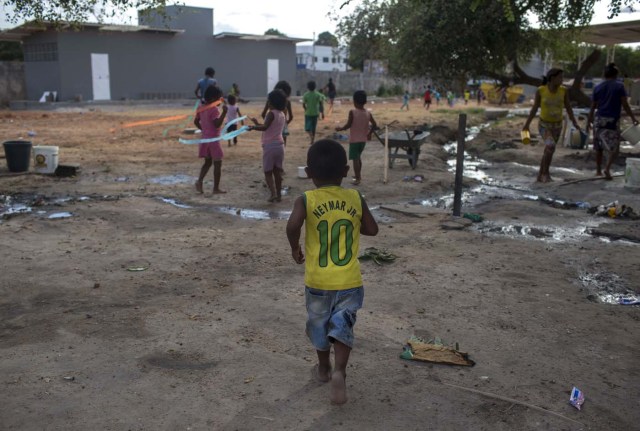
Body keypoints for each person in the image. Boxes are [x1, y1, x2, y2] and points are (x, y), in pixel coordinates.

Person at [285, 139, 379, 405]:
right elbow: (372, 230)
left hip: (318, 281)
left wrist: (295, 248)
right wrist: (351, 222)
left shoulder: (305, 199)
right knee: (343, 324)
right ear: (346, 171)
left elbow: (292, 226)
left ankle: (324, 368)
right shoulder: (355, 197)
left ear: (309, 173)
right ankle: (340, 371)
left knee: (319, 324)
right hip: (349, 281)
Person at [522, 68, 581, 183]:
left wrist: (574, 122)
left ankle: (540, 174)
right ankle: (546, 174)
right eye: (560, 78)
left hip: (558, 126)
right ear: (552, 78)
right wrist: (527, 125)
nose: (562, 80)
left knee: (549, 150)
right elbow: (535, 108)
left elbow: (568, 107)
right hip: (544, 125)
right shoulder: (541, 90)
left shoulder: (563, 91)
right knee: (550, 147)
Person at [588, 63, 639, 179]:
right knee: (614, 147)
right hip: (612, 120)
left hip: (599, 119)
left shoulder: (598, 87)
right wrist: (633, 118)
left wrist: (589, 120)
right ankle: (607, 168)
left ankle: (598, 171)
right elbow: (625, 104)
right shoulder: (619, 86)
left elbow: (593, 105)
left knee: (599, 147)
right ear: (616, 74)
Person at [249, 89, 287, 202]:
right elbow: (269, 127)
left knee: (268, 172)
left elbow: (265, 127)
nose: (268, 103)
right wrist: (257, 124)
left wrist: (253, 127)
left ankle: (273, 194)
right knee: (277, 171)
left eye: (268, 102)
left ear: (272, 103)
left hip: (270, 147)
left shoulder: (271, 113)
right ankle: (279, 195)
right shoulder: (282, 114)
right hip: (280, 146)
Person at [335, 90, 378, 185]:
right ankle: (358, 175)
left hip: (354, 140)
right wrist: (370, 133)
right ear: (365, 101)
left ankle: (358, 178)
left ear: (354, 101)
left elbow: (348, 125)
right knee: (358, 158)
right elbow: (374, 124)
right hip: (363, 140)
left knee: (355, 159)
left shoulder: (352, 112)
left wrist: (340, 129)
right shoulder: (368, 113)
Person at [194, 85, 227, 194]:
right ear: (213, 98)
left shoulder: (201, 107)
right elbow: (217, 124)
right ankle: (216, 188)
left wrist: (204, 130)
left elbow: (196, 122)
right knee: (217, 163)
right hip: (213, 141)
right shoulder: (214, 109)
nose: (220, 101)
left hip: (205, 139)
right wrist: (224, 113)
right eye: (219, 98)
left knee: (207, 163)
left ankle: (199, 181)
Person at [261, 80, 294, 146]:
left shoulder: (270, 100)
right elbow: (291, 117)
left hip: (271, 126)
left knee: (269, 143)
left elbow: (263, 114)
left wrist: (269, 122)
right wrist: (285, 123)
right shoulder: (287, 102)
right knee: (282, 144)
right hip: (283, 126)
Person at [303, 81, 324, 145]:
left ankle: (311, 137)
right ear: (315, 87)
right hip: (316, 113)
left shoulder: (306, 95)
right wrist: (322, 113)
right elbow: (321, 104)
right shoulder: (317, 94)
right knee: (313, 127)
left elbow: (303, 104)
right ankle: (312, 140)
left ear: (308, 87)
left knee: (307, 128)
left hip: (308, 114)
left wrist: (306, 109)